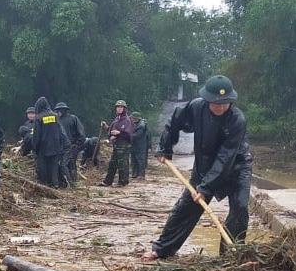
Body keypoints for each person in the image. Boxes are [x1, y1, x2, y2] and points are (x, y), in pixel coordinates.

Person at [142, 76, 252, 261]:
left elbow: (225, 159)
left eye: (225, 103)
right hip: (204, 165)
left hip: (236, 166)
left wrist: (206, 187)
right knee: (187, 207)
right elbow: (174, 121)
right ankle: (162, 249)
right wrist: (165, 147)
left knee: (240, 208)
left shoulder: (237, 120)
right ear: (207, 100)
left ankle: (231, 258)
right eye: (216, 103)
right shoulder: (196, 107)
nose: (220, 107)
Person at [20, 97, 65, 187]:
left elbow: (37, 135)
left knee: (43, 168)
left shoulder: (39, 118)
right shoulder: (55, 116)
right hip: (56, 147)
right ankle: (55, 185)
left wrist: (35, 147)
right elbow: (61, 132)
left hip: (43, 148)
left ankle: (45, 186)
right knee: (54, 168)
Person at [55, 102, 86, 188]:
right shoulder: (56, 120)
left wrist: (77, 145)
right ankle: (64, 183)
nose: (59, 112)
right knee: (62, 165)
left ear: (65, 110)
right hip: (60, 148)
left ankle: (73, 183)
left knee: (70, 165)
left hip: (72, 146)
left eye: (61, 110)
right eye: (58, 110)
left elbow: (81, 134)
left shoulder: (73, 118)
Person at [102, 100, 133, 187]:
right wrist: (106, 127)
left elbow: (129, 134)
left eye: (121, 107)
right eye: (118, 107)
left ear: (124, 109)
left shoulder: (127, 120)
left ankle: (123, 182)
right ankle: (108, 181)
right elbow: (111, 131)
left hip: (123, 145)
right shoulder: (116, 119)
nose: (119, 109)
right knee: (112, 163)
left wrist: (119, 133)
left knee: (122, 164)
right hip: (116, 145)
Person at [130, 111, 150, 179]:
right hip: (134, 145)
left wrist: (127, 136)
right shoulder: (134, 124)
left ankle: (141, 175)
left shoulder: (141, 125)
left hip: (141, 145)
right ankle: (134, 173)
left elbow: (137, 135)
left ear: (137, 118)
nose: (132, 119)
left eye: (133, 118)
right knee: (133, 159)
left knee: (140, 160)